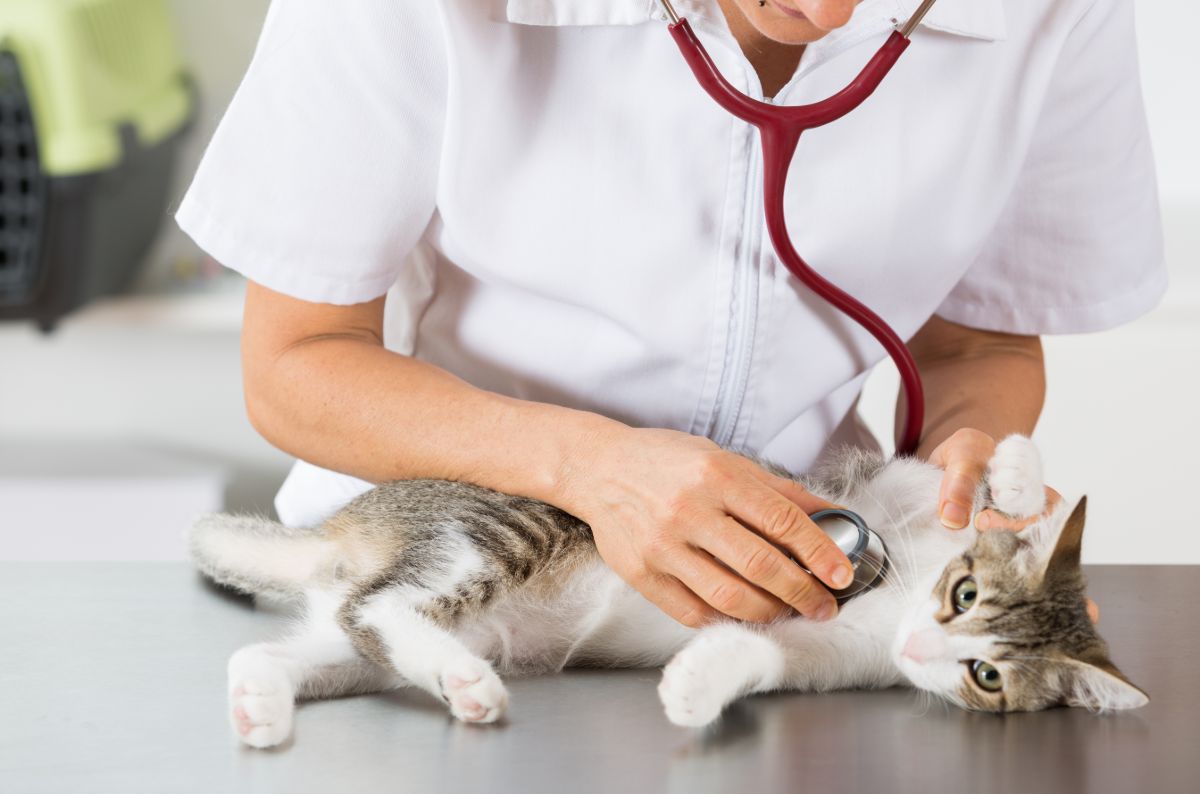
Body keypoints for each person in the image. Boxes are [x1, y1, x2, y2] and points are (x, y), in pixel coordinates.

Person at [177, 0, 1162, 627]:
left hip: (791, 599)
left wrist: (969, 451)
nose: (826, 11)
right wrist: (598, 468)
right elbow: (296, 363)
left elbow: (978, 342)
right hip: (441, 591)